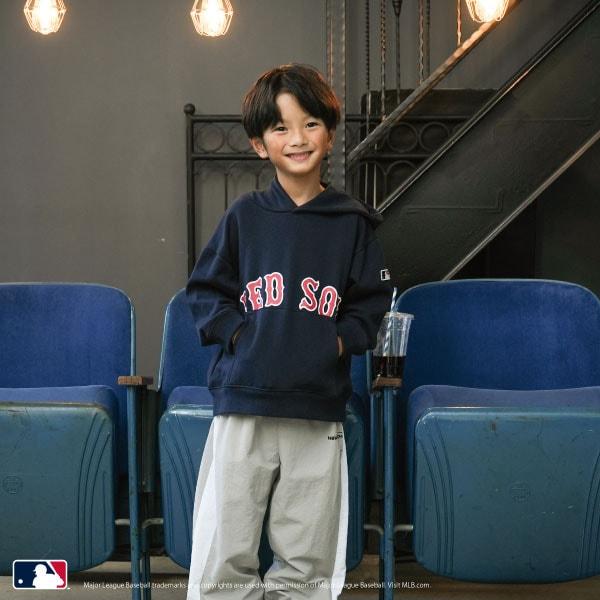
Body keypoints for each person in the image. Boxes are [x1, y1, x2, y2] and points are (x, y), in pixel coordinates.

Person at [185, 63, 392, 600]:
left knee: (307, 554)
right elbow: (205, 291)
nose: (298, 139)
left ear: (330, 133)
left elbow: (371, 304)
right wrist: (239, 337)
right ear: (260, 145)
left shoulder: (352, 223)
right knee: (225, 544)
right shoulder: (244, 216)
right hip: (244, 402)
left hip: (317, 404)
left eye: (310, 124)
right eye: (281, 128)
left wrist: (336, 342)